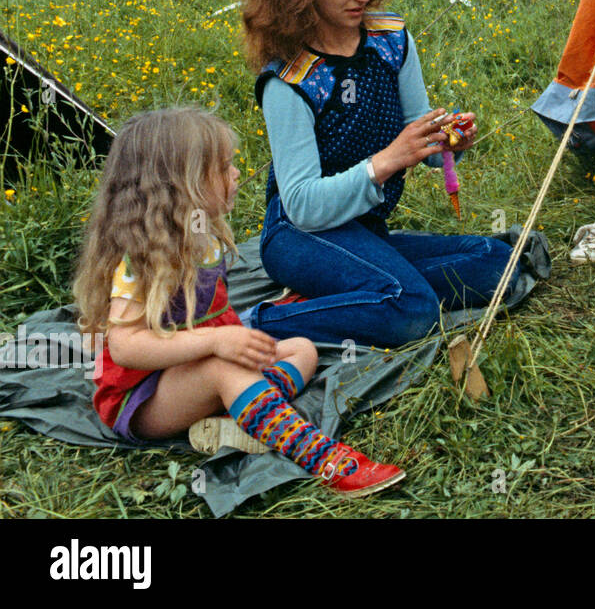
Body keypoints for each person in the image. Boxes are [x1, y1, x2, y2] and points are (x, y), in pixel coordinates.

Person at [74, 107, 405, 498]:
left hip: (197, 368)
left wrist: (232, 342)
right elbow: (125, 347)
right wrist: (218, 343)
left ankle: (247, 412)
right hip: (144, 397)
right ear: (185, 184)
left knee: (300, 349)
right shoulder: (141, 259)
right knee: (222, 369)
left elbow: (213, 315)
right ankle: (322, 457)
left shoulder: (205, 239)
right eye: (224, 167)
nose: (235, 174)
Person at [241, 0, 519, 348]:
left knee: (498, 262)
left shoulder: (391, 41)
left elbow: (419, 133)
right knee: (413, 310)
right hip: (298, 235)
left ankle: (362, 291)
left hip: (363, 229)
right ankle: (254, 326)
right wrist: (389, 160)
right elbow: (302, 206)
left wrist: (449, 141)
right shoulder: (290, 80)